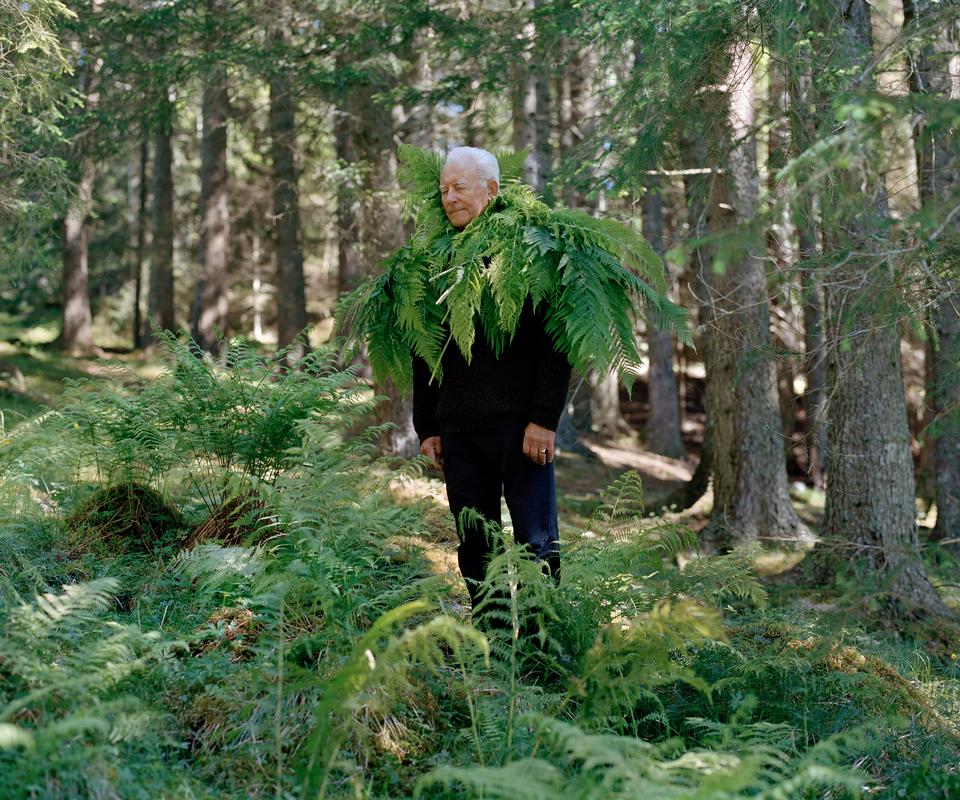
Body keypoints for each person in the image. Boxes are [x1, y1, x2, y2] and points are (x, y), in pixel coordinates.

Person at [411, 146, 572, 615]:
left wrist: (544, 417)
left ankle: (543, 652)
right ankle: (494, 646)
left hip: (522, 430)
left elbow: (557, 340)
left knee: (536, 542)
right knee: (475, 545)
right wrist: (427, 425)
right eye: (443, 189)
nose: (449, 197)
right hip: (458, 430)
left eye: (460, 187)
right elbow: (423, 350)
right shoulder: (434, 260)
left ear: (492, 189)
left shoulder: (531, 250)